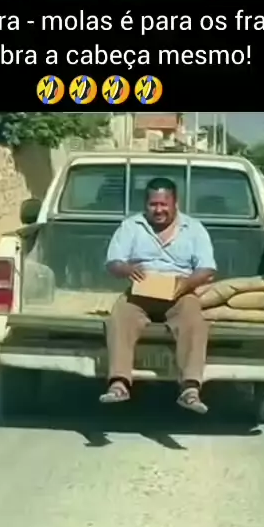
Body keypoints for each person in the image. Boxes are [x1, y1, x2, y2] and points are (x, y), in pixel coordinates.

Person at [99, 177, 217, 413]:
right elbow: (113, 262)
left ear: (175, 203)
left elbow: (207, 268)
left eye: (164, 204)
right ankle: (119, 384)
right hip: (141, 290)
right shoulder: (131, 226)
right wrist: (126, 269)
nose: (159, 209)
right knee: (120, 315)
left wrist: (185, 284)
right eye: (153, 204)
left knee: (194, 319)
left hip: (179, 292)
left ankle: (190, 389)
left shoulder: (194, 229)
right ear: (146, 204)